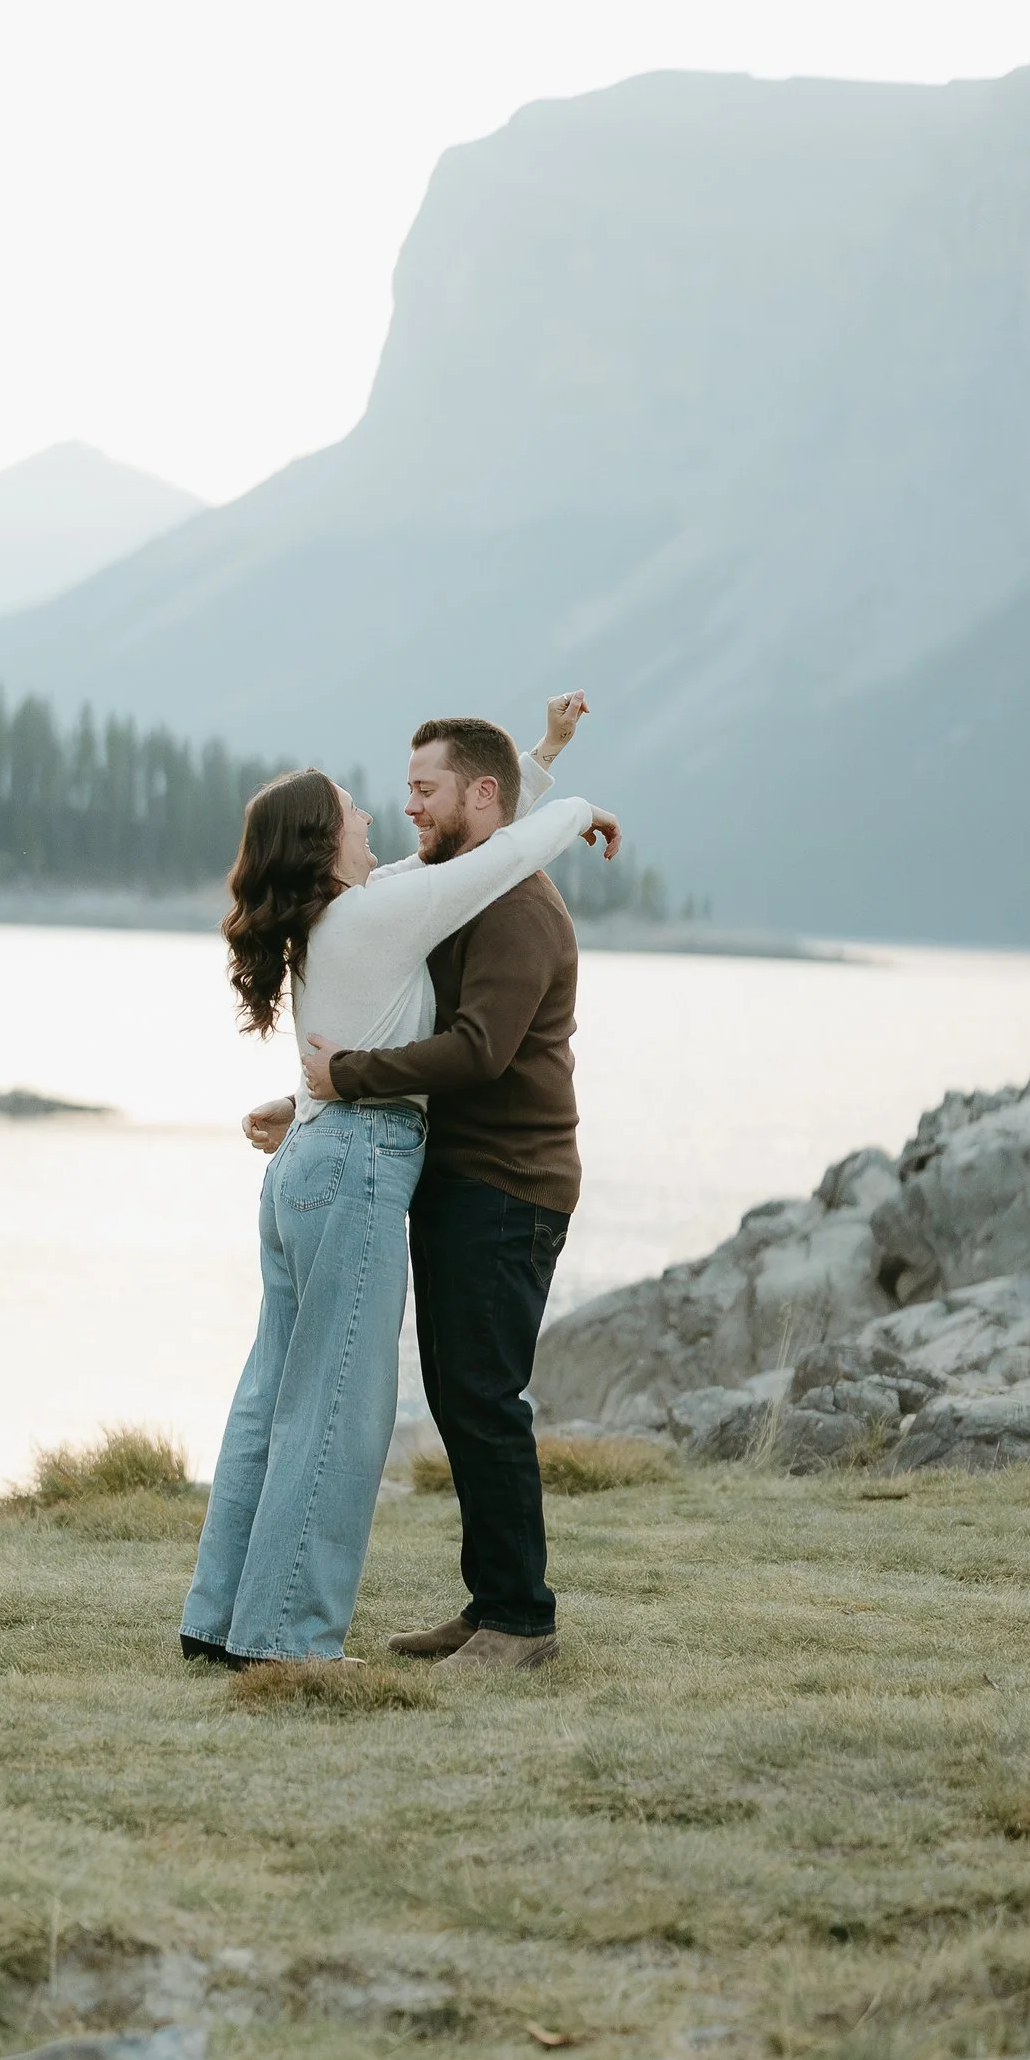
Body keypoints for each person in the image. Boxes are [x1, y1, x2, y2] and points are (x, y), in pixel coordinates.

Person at [181, 715, 618, 1670]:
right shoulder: (385, 906)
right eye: (356, 809)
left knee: (289, 1396)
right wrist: (576, 802)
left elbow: (486, 853)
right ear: (323, 845)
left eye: (422, 789)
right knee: (340, 1403)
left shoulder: (372, 905)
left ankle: (224, 1618)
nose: (384, 810)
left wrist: (540, 765)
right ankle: (290, 1638)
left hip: (353, 1157)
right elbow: (488, 843)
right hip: (357, 1158)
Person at [292, 698, 599, 1672]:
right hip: (466, 1180)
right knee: (464, 1395)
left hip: (512, 1187)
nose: (409, 807)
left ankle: (522, 1624)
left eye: (424, 790)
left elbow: (478, 1051)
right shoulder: (469, 884)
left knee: (482, 1395)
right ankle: (490, 1603)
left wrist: (347, 1077)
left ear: (477, 795)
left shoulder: (516, 909)